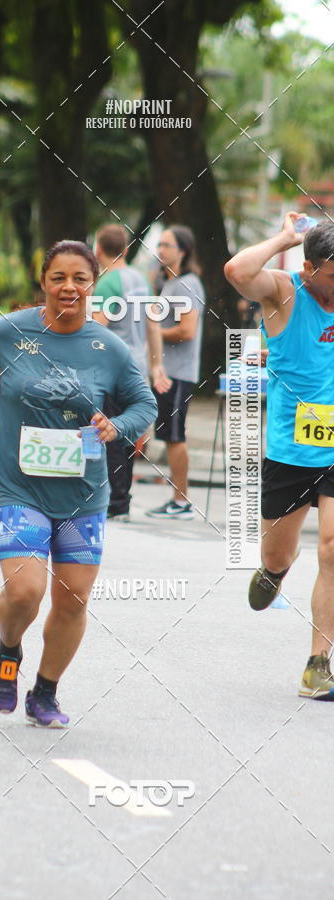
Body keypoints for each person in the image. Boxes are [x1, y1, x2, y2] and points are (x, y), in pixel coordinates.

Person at [0, 240, 157, 726]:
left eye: (79, 279)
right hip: (19, 485)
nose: (69, 287)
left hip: (83, 493)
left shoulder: (108, 347)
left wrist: (117, 426)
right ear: (43, 281)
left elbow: (144, 404)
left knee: (73, 599)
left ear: (92, 285)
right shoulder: (11, 330)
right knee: (25, 590)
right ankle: (8, 649)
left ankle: (45, 692)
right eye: (58, 277)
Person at [225, 215, 334, 699]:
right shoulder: (285, 292)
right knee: (277, 553)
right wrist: (286, 239)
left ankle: (318, 663)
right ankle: (274, 570)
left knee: (332, 549)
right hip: (290, 452)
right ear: (309, 268)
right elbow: (237, 271)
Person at [93, 224, 170, 520]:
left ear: (98, 250)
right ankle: (122, 499)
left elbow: (97, 329)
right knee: (126, 432)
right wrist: (156, 365)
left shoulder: (107, 284)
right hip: (137, 367)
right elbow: (153, 324)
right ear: (126, 250)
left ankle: (115, 502)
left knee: (110, 432)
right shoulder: (140, 279)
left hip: (112, 370)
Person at [145, 225, 205, 520]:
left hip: (178, 373)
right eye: (159, 244)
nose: (161, 250)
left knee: (175, 435)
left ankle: (181, 502)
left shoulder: (187, 284)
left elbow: (187, 330)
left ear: (182, 251)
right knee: (169, 435)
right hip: (165, 372)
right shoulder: (168, 283)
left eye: (167, 245)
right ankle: (177, 499)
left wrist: (153, 332)